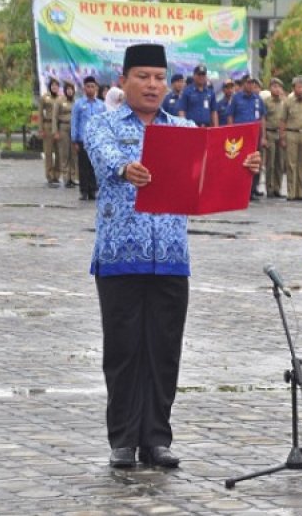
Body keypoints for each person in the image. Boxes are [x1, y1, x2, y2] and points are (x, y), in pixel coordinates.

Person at [83, 43, 260, 469]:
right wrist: (126, 168)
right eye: (142, 76)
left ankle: (157, 438)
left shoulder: (183, 127)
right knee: (123, 351)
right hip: (120, 258)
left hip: (172, 259)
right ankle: (123, 440)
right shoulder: (102, 123)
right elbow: (103, 157)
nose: (152, 85)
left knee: (165, 351)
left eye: (159, 77)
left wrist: (244, 167)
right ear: (123, 80)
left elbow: (211, 172)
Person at [227, 76, 267, 199]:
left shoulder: (257, 99)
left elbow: (262, 118)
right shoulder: (236, 98)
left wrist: (263, 136)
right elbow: (230, 116)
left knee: (255, 162)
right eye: (248, 83)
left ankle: (252, 190)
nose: (251, 85)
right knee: (240, 162)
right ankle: (238, 189)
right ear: (244, 84)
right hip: (239, 136)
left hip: (254, 135)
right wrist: (230, 132)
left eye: (253, 83)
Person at [279, 76, 302, 200]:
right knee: (291, 164)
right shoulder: (288, 102)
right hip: (291, 134)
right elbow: (282, 120)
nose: (301, 89)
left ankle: (301, 192)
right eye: (299, 87)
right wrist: (282, 137)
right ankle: (291, 192)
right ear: (293, 88)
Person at [71, 75, 105, 200]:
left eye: (93, 86)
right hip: (83, 140)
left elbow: (104, 123)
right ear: (84, 88)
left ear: (96, 88)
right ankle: (84, 190)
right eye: (88, 86)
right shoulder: (78, 104)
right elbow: (75, 121)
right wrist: (74, 139)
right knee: (83, 165)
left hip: (96, 140)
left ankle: (93, 190)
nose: (90, 89)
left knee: (94, 165)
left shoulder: (101, 105)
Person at [263, 78, 286, 197]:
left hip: (280, 134)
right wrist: (264, 137)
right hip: (270, 133)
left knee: (280, 163)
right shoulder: (266, 102)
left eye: (279, 87)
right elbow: (263, 119)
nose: (277, 89)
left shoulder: (284, 102)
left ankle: (278, 188)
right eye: (274, 87)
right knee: (270, 163)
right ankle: (269, 188)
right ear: (270, 88)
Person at [52, 80, 76, 188]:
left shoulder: (76, 102)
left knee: (73, 154)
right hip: (63, 127)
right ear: (65, 90)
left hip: (74, 128)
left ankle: (73, 177)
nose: (70, 91)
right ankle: (66, 177)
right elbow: (55, 117)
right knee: (64, 153)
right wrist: (55, 131)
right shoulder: (60, 101)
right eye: (68, 89)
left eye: (71, 89)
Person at [41, 78, 62, 187]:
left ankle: (57, 175)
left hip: (58, 127)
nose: (54, 87)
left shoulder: (61, 98)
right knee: (48, 152)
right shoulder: (45, 97)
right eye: (53, 85)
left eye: (56, 85)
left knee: (59, 152)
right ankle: (49, 175)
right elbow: (40, 113)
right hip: (48, 125)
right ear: (50, 86)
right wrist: (41, 129)